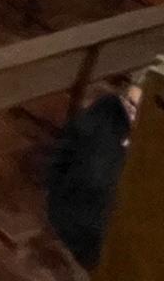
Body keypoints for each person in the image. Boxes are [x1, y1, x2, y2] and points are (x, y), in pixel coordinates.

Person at [45, 75, 142, 271]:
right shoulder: (103, 119)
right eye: (130, 105)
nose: (132, 114)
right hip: (82, 216)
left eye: (138, 110)